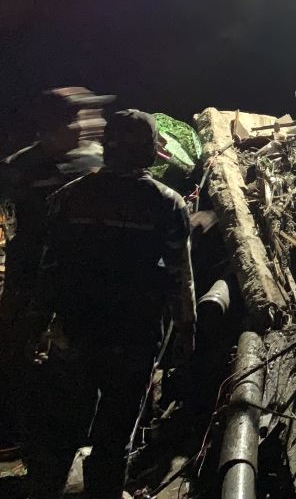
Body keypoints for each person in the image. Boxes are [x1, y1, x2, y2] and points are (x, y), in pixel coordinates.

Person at [24, 110, 193, 499]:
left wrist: (36, 328)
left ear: (105, 147)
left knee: (65, 422)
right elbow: (179, 275)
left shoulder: (67, 198)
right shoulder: (167, 203)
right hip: (135, 335)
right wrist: (188, 329)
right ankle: (103, 489)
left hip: (77, 333)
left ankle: (47, 487)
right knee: (116, 429)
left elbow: (49, 271)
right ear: (151, 152)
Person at [0, 88, 108, 453]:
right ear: (48, 128)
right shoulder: (20, 167)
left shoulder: (95, 161)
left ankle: (74, 432)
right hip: (29, 273)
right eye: (76, 118)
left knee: (78, 353)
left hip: (81, 275)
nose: (86, 125)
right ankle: (14, 431)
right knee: (16, 348)